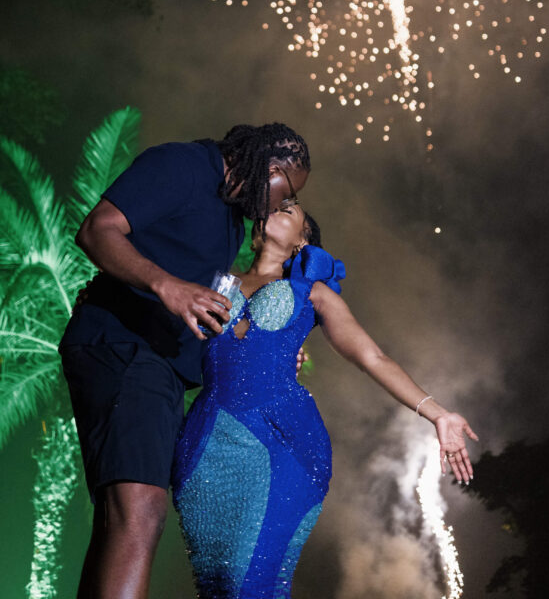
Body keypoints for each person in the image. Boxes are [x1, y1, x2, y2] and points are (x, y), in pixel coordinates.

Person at [172, 203, 478, 599]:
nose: (276, 208)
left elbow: (372, 357)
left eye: (289, 210)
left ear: (303, 241)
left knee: (251, 581)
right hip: (206, 446)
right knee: (216, 585)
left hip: (279, 444)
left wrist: (439, 415)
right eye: (273, 206)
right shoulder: (215, 281)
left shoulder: (312, 293)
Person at [59, 123, 311, 599]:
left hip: (157, 366)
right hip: (127, 347)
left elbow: (204, 309)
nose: (278, 206)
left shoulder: (229, 218)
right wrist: (165, 285)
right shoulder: (183, 165)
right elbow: (97, 229)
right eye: (287, 193)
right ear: (271, 170)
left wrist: (268, 353)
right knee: (141, 509)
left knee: (122, 518)